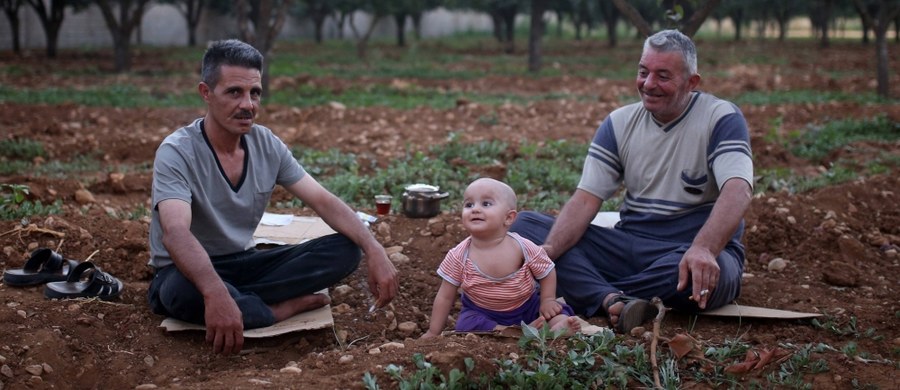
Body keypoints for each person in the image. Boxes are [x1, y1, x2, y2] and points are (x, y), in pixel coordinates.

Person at [147, 39, 399, 355]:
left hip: (243, 262)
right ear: (206, 93)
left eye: (255, 93)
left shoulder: (266, 144)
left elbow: (322, 200)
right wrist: (214, 292)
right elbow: (175, 232)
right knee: (182, 294)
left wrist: (374, 248)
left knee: (346, 250)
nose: (248, 104)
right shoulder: (177, 151)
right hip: (185, 271)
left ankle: (240, 301)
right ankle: (277, 310)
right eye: (234, 92)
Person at [510, 29, 753, 334]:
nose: (648, 84)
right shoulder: (619, 122)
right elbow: (586, 199)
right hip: (629, 245)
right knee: (525, 229)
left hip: (690, 250)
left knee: (692, 277)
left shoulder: (720, 118)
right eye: (643, 72)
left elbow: (738, 189)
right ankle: (613, 299)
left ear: (692, 82)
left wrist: (704, 248)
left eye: (663, 76)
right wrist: (547, 253)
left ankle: (589, 291)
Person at [422, 178, 581, 338]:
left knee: (554, 310)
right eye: (469, 204)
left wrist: (547, 300)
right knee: (466, 323)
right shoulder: (458, 255)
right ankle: (510, 331)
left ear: (509, 218)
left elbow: (546, 271)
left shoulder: (523, 247)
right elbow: (445, 296)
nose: (475, 209)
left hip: (526, 306)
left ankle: (557, 326)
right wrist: (433, 331)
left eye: (486, 204)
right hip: (482, 311)